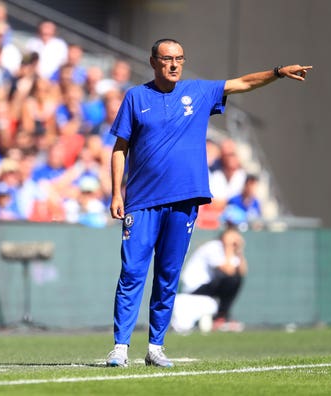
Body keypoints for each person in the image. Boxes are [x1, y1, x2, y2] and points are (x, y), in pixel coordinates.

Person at [105, 38, 311, 368]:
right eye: (167, 58)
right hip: (142, 201)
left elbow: (243, 82)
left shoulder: (199, 92)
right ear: (153, 61)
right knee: (131, 272)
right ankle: (120, 346)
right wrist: (117, 192)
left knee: (168, 274)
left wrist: (278, 72)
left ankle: (156, 346)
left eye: (179, 59)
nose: (174, 64)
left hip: (185, 200)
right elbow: (120, 147)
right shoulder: (136, 97)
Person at [178, 226, 247, 332]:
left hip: (208, 286)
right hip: (195, 287)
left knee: (236, 279)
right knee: (231, 279)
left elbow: (242, 272)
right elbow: (229, 271)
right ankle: (221, 316)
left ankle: (222, 316)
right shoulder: (213, 247)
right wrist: (229, 246)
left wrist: (239, 251)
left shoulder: (230, 250)